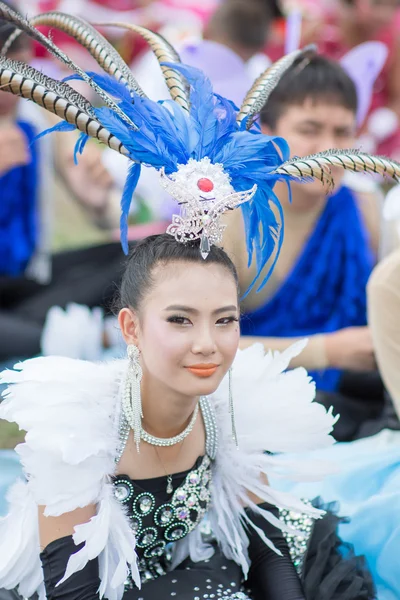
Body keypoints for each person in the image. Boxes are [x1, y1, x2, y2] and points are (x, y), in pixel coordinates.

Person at [1, 3, 399, 597]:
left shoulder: (242, 406)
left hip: (328, 400)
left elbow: (269, 555)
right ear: (129, 328)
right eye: (181, 320)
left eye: (226, 319)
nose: (208, 341)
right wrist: (323, 348)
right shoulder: (82, 432)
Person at [224, 54, 387, 441]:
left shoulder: (367, 211)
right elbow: (202, 348)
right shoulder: (231, 219)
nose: (329, 149)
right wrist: (324, 351)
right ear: (266, 131)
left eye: (343, 133)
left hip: (350, 409)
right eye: (310, 129)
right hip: (249, 416)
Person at [0, 0, 127, 363]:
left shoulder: (35, 116)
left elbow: (103, 217)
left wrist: (98, 199)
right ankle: (72, 337)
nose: (11, 86)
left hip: (27, 284)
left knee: (141, 254)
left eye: (20, 69)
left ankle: (43, 335)